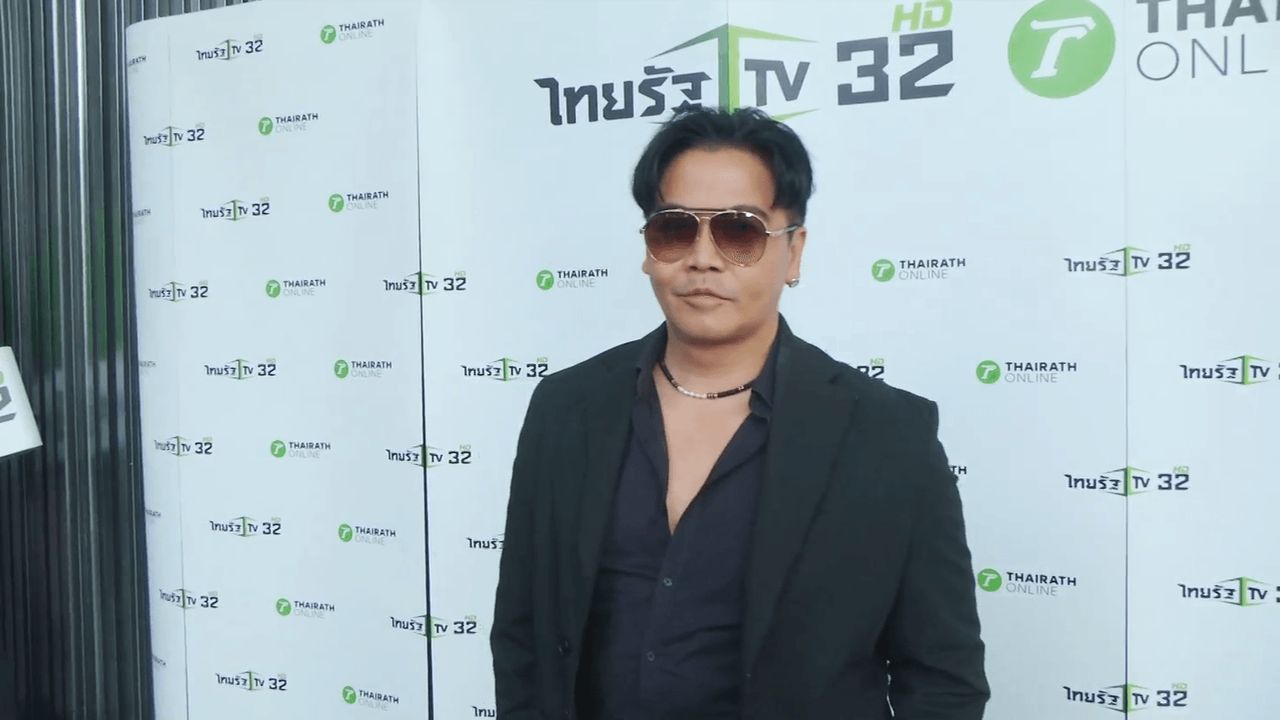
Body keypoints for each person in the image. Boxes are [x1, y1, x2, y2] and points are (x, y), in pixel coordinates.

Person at [491, 106, 989, 719]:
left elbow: (942, 680)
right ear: (648, 248)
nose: (703, 257)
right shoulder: (566, 409)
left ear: (794, 251)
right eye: (674, 228)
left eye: (740, 231)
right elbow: (523, 635)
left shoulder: (888, 435)